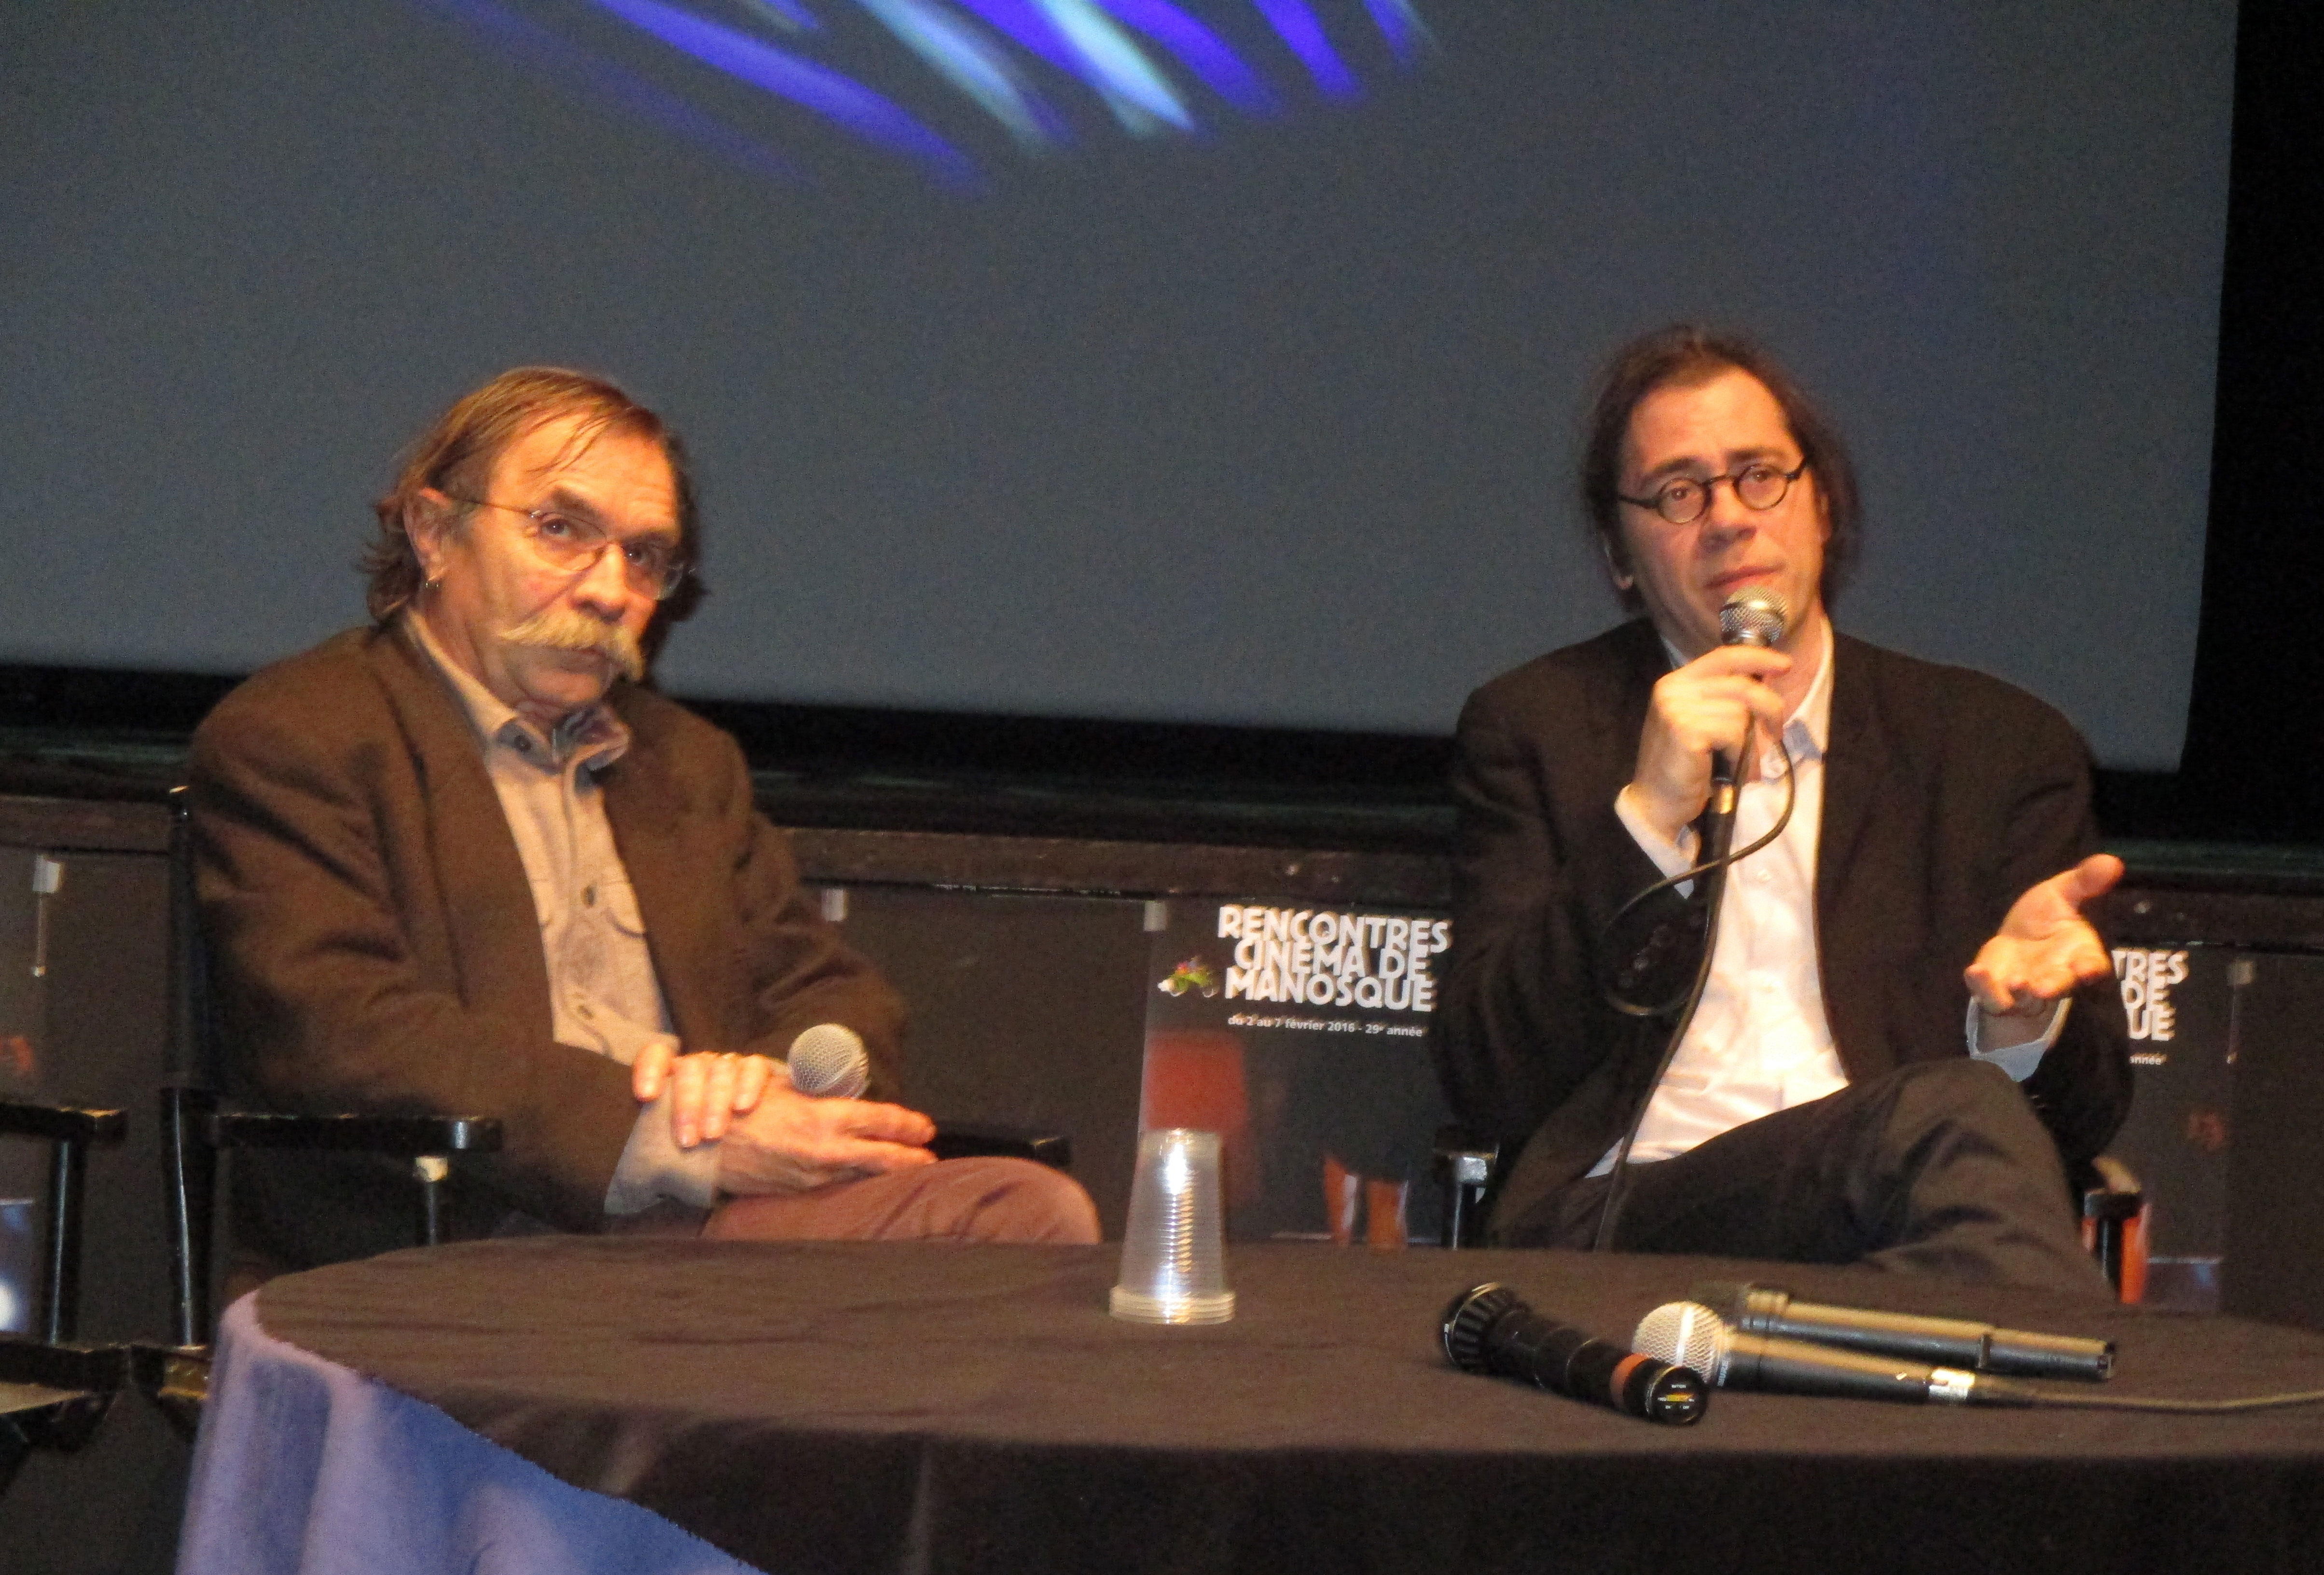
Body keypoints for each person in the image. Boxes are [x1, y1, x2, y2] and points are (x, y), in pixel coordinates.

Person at [190, 367, 1098, 1289]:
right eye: (560, 529)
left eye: (644, 556)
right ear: (434, 532)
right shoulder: (305, 735)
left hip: (705, 1229)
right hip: (473, 1229)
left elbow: (834, 995)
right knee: (1016, 1220)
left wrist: (765, 1087)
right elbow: (343, 1033)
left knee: (1023, 1212)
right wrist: (669, 1134)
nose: (609, 588)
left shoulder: (687, 765)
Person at [1433, 326, 2131, 1296]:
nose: (1728, 519)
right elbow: (1488, 1078)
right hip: (1629, 1219)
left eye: (1759, 476)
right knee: (1956, 1119)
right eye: (1678, 493)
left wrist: (2021, 1025)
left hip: (1896, 1222)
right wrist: (1646, 824)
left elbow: (2086, 1118)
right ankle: (2069, 1396)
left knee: (1965, 1127)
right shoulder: (1539, 727)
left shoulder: (1995, 749)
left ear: (1822, 506)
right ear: (1620, 555)